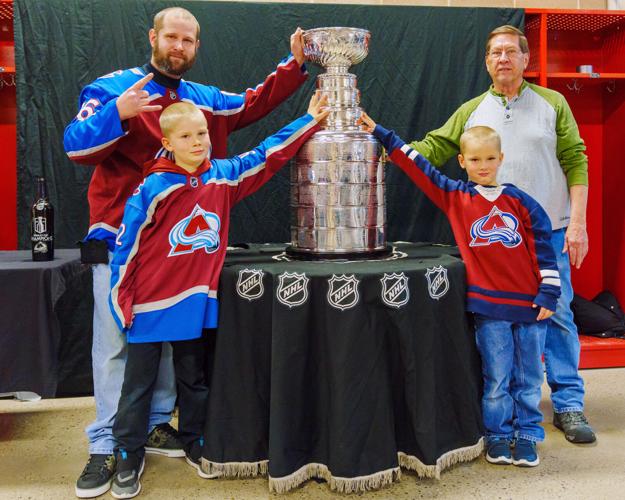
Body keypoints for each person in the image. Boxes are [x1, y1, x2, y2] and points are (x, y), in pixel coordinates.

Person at [63, 7, 310, 498]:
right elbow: (74, 146)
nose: (179, 47)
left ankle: (156, 424)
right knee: (116, 345)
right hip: (121, 241)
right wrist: (119, 114)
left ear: (196, 46)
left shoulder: (202, 100)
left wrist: (295, 65)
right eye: (172, 37)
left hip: (177, 251)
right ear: (153, 37)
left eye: (189, 41)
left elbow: (253, 105)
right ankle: (107, 444)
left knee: (174, 346)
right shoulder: (113, 88)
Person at [106, 95, 327, 498]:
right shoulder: (154, 186)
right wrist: (121, 298)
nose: (198, 142)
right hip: (150, 305)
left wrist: (308, 120)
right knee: (137, 386)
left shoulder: (222, 177)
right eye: (187, 136)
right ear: (168, 143)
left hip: (194, 303)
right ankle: (127, 452)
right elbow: (127, 247)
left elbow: (267, 154)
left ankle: (195, 441)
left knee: (195, 379)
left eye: (203, 133)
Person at [408, 24, 595, 444]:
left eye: (512, 51)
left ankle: (568, 404)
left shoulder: (553, 103)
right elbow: (435, 147)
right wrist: (385, 153)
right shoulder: (472, 109)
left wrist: (578, 223)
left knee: (560, 314)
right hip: (496, 246)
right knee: (497, 323)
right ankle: (502, 409)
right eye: (496, 53)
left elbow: (575, 160)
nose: (504, 59)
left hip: (549, 234)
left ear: (526, 59)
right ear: (487, 62)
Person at [361, 113, 560, 466]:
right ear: (462, 162)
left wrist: (548, 292)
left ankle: (528, 434)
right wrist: (381, 132)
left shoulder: (522, 202)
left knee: (529, 378)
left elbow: (544, 247)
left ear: (501, 159)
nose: (483, 166)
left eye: (489, 158)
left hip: (531, 306)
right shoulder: (456, 197)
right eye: (475, 159)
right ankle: (498, 435)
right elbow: (418, 166)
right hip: (489, 308)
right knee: (496, 378)